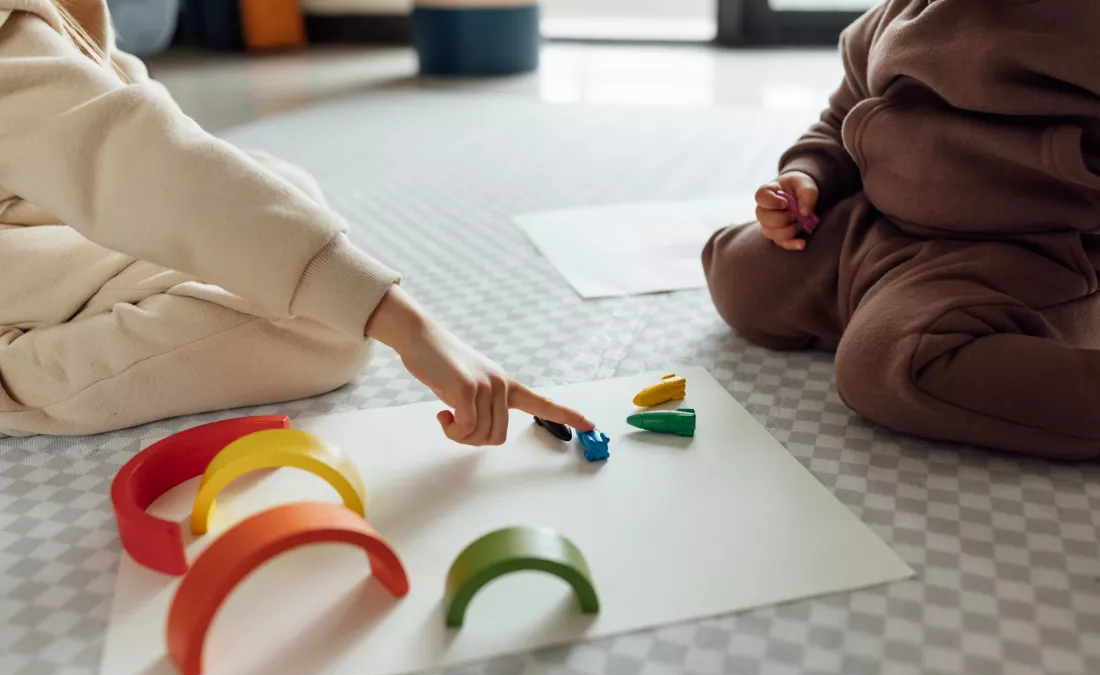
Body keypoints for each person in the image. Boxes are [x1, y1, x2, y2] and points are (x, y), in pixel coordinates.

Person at [0, 0, 594, 442]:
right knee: (325, 333)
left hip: (48, 217)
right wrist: (411, 328)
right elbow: (136, 158)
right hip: (23, 262)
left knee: (279, 187)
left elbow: (140, 127)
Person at [703, 0, 1100, 460]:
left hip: (1019, 254)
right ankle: (886, 309)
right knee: (739, 270)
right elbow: (841, 116)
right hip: (881, 225)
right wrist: (808, 175)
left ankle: (925, 326)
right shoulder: (901, 11)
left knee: (894, 366)